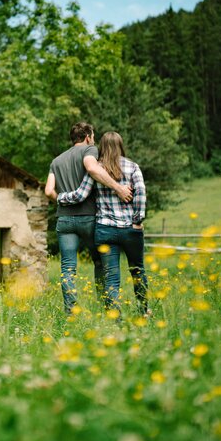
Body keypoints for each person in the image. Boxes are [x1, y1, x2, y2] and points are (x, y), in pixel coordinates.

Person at [57, 131, 149, 318]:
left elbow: (80, 195)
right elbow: (140, 195)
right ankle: (143, 311)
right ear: (120, 145)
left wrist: (60, 197)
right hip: (130, 230)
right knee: (137, 270)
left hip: (105, 229)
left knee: (111, 277)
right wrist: (138, 220)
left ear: (102, 148)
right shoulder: (132, 167)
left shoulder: (98, 170)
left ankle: (115, 317)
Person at [44, 123, 132, 316]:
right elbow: (92, 169)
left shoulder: (56, 161)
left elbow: (48, 191)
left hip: (64, 220)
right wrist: (118, 188)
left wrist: (62, 199)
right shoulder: (90, 150)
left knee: (68, 268)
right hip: (89, 218)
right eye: (93, 136)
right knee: (100, 262)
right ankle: (106, 308)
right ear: (87, 137)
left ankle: (71, 311)